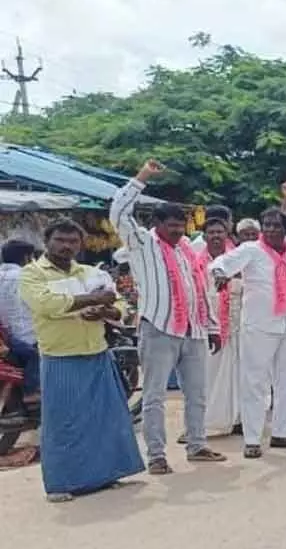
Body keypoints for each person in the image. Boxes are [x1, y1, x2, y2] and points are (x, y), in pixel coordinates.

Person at [110, 159, 227, 474]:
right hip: (158, 329)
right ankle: (157, 456)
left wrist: (212, 327)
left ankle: (197, 445)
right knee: (155, 396)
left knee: (197, 393)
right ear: (157, 224)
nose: (177, 230)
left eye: (180, 225)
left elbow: (200, 290)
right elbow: (118, 213)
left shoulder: (186, 248)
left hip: (193, 331)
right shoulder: (142, 243)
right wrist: (142, 176)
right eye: (171, 225)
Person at [20, 218, 144, 502]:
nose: (66, 246)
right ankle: (61, 483)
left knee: (103, 420)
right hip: (60, 357)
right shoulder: (32, 274)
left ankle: (105, 475)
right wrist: (92, 299)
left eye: (73, 241)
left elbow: (120, 306)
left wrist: (105, 312)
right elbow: (46, 305)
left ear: (80, 244)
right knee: (64, 424)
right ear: (46, 242)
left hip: (97, 353)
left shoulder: (90, 272)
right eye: (60, 240)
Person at [209, 206, 286, 457]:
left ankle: (283, 433)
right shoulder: (251, 250)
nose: (271, 229)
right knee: (254, 383)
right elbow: (221, 263)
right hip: (259, 327)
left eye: (276, 225)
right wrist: (220, 273)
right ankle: (252, 439)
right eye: (267, 225)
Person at [199, 217, 243, 437]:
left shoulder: (237, 260)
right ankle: (200, 424)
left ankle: (237, 419)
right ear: (204, 236)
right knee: (206, 375)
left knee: (237, 375)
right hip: (206, 326)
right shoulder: (196, 262)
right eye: (211, 232)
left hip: (236, 325)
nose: (216, 236)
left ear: (227, 235)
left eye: (220, 232)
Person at [0, 240, 39, 402]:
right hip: (28, 334)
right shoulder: (26, 276)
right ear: (26, 257)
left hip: (6, 334)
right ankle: (32, 392)